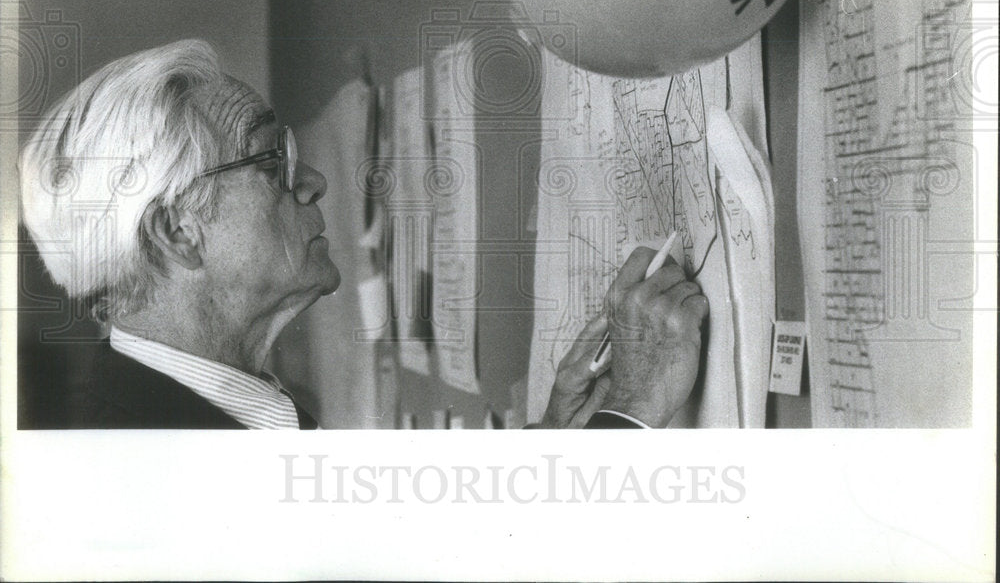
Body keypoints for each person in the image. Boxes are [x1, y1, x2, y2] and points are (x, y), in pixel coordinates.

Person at [18, 39, 708, 429]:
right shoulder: (143, 457)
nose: (312, 181)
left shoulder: (206, 408)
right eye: (271, 159)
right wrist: (631, 410)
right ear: (178, 230)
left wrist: (554, 441)